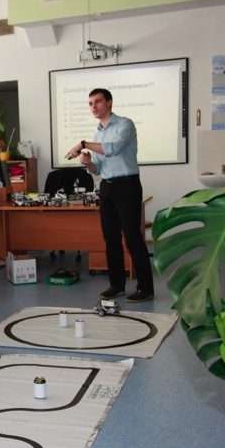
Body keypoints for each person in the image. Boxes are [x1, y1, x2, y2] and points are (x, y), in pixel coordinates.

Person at [65, 88, 154, 303]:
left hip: (127, 185)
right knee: (111, 238)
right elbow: (98, 169)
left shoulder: (125, 124)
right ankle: (116, 285)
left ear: (109, 102)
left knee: (132, 238)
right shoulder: (98, 135)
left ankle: (145, 288)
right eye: (90, 103)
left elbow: (113, 149)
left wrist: (83, 144)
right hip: (107, 187)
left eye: (98, 101)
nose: (93, 107)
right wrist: (88, 163)